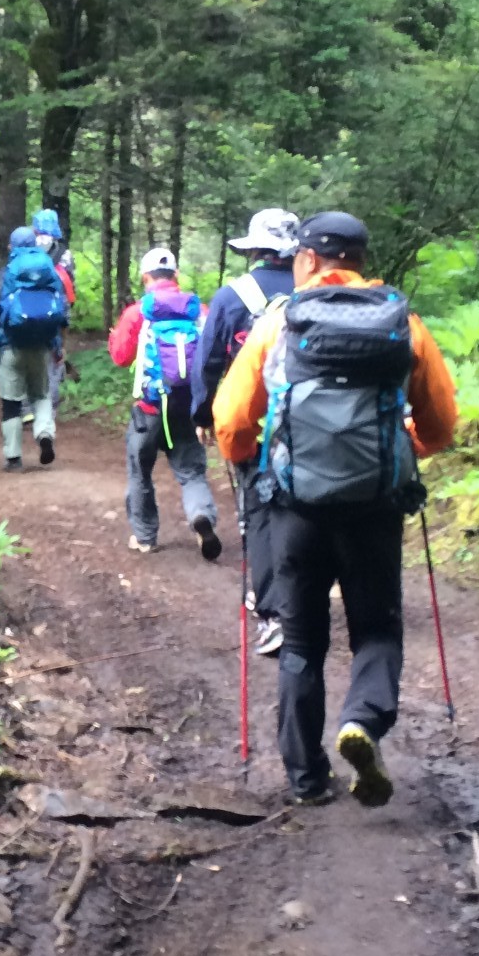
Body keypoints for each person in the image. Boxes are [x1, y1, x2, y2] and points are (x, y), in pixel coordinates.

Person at [213, 211, 458, 809]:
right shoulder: (404, 324)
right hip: (375, 506)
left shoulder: (280, 323)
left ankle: (306, 777)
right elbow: (441, 423)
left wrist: (253, 459)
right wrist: (402, 451)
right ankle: (363, 720)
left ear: (306, 261)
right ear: (359, 260)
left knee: (300, 640)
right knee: (376, 626)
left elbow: (230, 419)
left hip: (297, 508)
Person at [191, 208, 299, 656]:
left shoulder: (233, 296)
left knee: (259, 508)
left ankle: (272, 610)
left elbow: (208, 360)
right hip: (315, 420)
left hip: (255, 420)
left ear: (253, 250)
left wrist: (202, 415)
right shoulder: (317, 290)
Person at [107, 246, 222, 560]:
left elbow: (120, 357)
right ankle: (201, 517)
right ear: (176, 276)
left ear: (145, 277)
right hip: (187, 408)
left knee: (139, 471)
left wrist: (113, 337)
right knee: (192, 472)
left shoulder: (138, 313)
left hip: (150, 410)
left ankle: (145, 537)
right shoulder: (200, 311)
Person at [0, 224, 68, 471]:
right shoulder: (50, 273)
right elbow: (63, 315)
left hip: (10, 347)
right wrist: (60, 347)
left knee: (11, 402)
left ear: (12, 247)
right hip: (41, 347)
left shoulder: (5, 275)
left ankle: (14, 458)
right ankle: (44, 434)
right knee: (40, 395)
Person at [32, 210, 77, 414]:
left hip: (30, 310)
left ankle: (30, 406)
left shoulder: (29, 248)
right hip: (58, 309)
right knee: (55, 357)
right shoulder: (65, 254)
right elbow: (70, 283)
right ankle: (49, 408)